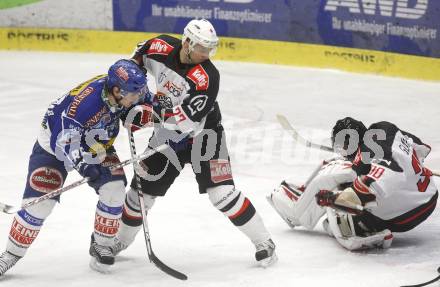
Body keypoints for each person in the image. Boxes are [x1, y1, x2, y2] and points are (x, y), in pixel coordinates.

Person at [111, 18, 277, 267]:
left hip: (204, 136)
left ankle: (265, 242)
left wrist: (146, 115)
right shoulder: (159, 46)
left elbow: (183, 121)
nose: (206, 53)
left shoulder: (207, 77)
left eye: (209, 48)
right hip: (167, 137)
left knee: (223, 195)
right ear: (186, 42)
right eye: (201, 47)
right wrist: (132, 96)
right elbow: (132, 64)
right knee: (139, 195)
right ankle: (118, 242)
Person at [0, 59, 149, 275]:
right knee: (38, 206)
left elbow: (150, 103)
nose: (138, 96)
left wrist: (166, 120)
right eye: (134, 94)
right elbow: (63, 142)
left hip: (96, 142)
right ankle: (9, 255)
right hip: (54, 147)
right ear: (117, 90)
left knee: (114, 189)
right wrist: (85, 167)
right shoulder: (85, 106)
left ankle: (101, 245)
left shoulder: (123, 90)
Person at [268, 117, 437, 250]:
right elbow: (420, 148)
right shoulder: (384, 128)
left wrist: (345, 197)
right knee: (341, 174)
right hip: (428, 196)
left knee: (336, 199)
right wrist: (413, 166)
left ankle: (300, 215)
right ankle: (320, 206)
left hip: (403, 214)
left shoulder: (367, 154)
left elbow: (388, 174)